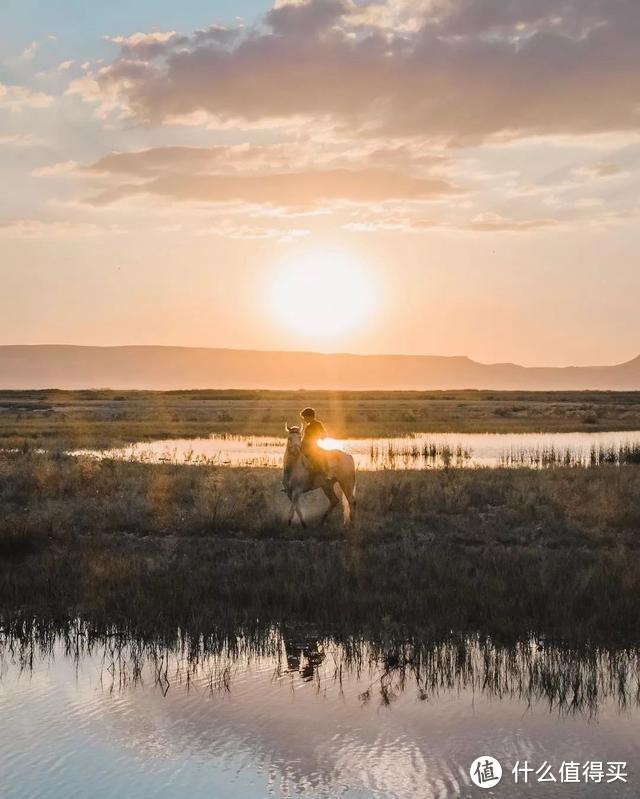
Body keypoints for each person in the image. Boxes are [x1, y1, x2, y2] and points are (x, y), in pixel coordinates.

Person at [300, 407, 330, 476]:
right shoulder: (307, 426)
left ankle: (322, 473)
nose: (304, 419)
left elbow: (324, 435)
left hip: (312, 448)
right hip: (306, 447)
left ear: (310, 416)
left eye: (305, 417)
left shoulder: (317, 424)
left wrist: (320, 436)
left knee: (320, 459)